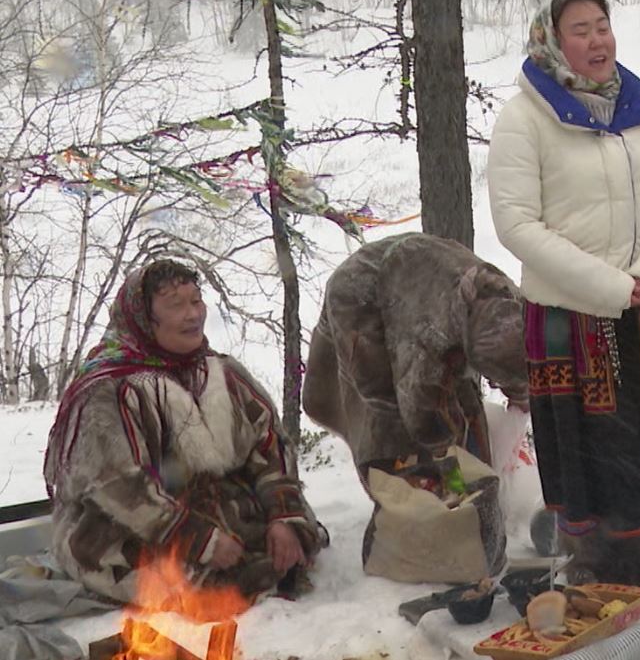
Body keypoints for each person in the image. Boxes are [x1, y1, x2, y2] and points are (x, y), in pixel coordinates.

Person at [487, 0, 640, 594]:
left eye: (602, 26)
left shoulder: (639, 108)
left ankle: (637, 560)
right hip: (570, 315)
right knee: (583, 445)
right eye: (580, 30)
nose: (597, 40)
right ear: (552, 40)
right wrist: (610, 286)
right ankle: (589, 563)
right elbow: (517, 224)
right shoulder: (525, 119)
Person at [43, 260, 323, 606]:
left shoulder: (223, 373)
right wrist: (198, 539)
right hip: (135, 523)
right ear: (144, 318)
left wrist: (283, 515)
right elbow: (118, 486)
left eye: (196, 301)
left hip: (222, 511)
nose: (193, 315)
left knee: (283, 544)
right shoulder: (109, 390)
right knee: (183, 580)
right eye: (176, 305)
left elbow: (268, 447)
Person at [303, 232, 529, 478]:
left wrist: (521, 397)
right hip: (360, 297)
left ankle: (470, 484)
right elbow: (421, 411)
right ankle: (416, 501)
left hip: (415, 280)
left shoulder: (505, 299)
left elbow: (514, 355)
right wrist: (452, 473)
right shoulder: (428, 345)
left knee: (463, 406)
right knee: (393, 425)